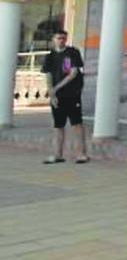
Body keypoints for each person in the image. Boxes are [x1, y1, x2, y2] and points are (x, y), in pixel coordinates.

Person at [42, 29, 88, 165]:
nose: (61, 40)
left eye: (63, 38)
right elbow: (48, 74)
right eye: (58, 38)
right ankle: (57, 154)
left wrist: (56, 88)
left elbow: (72, 73)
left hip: (72, 94)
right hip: (57, 96)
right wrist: (51, 92)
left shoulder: (72, 53)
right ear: (53, 40)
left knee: (76, 124)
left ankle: (81, 154)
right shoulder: (50, 56)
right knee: (58, 125)